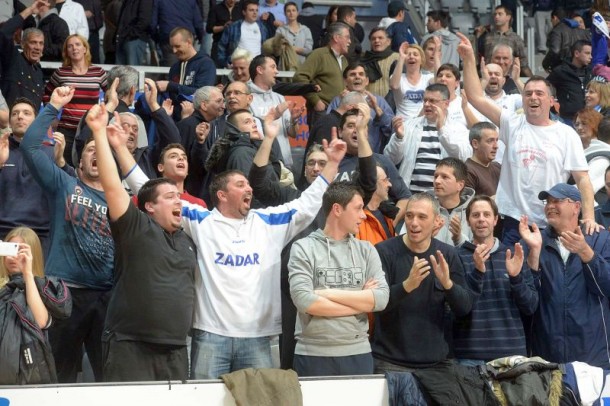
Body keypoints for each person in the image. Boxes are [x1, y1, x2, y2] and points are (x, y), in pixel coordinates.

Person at [119, 115, 347, 380]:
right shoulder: (201, 221)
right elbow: (148, 188)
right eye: (240, 185)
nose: (249, 188)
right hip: (210, 334)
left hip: (259, 337)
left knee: (260, 401)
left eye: (248, 184)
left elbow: (308, 204)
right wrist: (119, 147)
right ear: (222, 195)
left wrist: (332, 164)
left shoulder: (269, 222)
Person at [85, 104, 197, 382]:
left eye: (178, 196)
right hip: (130, 345)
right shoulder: (135, 226)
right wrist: (99, 133)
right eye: (170, 196)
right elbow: (112, 185)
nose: (178, 200)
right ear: (149, 206)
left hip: (176, 349)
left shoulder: (186, 238)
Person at [458, 31, 597, 244]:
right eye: (528, 93)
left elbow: (583, 180)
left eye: (539, 94)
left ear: (551, 101)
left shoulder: (566, 133)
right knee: (515, 275)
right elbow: (476, 97)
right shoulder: (511, 123)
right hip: (515, 222)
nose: (533, 97)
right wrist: (468, 58)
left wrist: (588, 217)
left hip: (552, 222)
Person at [20, 86, 114, 383]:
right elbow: (31, 148)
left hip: (107, 296)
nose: (96, 154)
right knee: (58, 378)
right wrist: (54, 106)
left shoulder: (120, 201)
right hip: (65, 294)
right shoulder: (65, 184)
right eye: (90, 150)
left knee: (109, 378)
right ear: (81, 161)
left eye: (102, 151)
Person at [288, 181, 389, 376]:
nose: (363, 215)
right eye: (358, 208)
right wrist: (363, 301)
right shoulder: (303, 248)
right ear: (337, 209)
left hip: (358, 351)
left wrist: (325, 293)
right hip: (312, 353)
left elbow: (382, 299)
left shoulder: (366, 250)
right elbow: (304, 301)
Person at [372, 192, 473, 371]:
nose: (414, 222)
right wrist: (407, 285)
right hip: (390, 361)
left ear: (436, 221)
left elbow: (464, 309)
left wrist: (448, 285)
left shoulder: (448, 254)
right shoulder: (383, 251)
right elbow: (377, 304)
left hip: (437, 363)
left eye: (422, 217)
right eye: (409, 216)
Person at [520, 183, 610, 369]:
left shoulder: (601, 239)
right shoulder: (533, 241)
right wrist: (534, 255)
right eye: (547, 202)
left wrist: (586, 252)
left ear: (577, 207)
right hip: (547, 355)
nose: (550, 206)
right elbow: (527, 301)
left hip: (592, 354)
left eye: (557, 201)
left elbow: (606, 287)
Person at [454, 196, 538, 364]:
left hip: (512, 355)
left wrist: (515, 278)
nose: (481, 220)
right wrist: (477, 272)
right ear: (468, 221)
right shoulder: (456, 256)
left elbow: (531, 306)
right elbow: (458, 308)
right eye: (476, 215)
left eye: (486, 214)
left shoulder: (513, 254)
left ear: (495, 220)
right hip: (470, 356)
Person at [0, 226, 72, 385]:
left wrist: (27, 274)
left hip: (30, 374)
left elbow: (40, 321)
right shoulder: (2, 289)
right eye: (10, 250)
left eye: (20, 252)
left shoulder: (46, 287)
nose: (13, 258)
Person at [0, 98, 67, 252]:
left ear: (37, 121)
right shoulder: (1, 149)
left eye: (26, 113)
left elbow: (67, 193)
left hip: (39, 235)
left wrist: (60, 161)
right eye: (15, 113)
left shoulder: (51, 152)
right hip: (4, 232)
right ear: (9, 121)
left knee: (35, 276)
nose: (20, 117)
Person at [43, 33, 107, 165]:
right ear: (66, 51)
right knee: (63, 167)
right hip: (66, 130)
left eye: (78, 44)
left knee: (87, 169)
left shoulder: (98, 72)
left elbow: (111, 94)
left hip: (89, 130)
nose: (74, 48)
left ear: (85, 49)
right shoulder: (61, 73)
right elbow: (46, 95)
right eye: (70, 46)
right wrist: (52, 118)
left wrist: (104, 112)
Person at [384, 83, 459, 194]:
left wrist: (442, 130)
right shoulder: (409, 125)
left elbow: (462, 156)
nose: (427, 104)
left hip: (442, 197)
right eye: (425, 100)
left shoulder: (457, 129)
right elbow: (390, 158)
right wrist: (398, 138)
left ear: (446, 104)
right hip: (411, 195)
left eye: (432, 101)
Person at [326, 63, 394, 154]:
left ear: (366, 81)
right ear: (345, 81)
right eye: (352, 74)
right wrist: (341, 108)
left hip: (373, 156)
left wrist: (377, 109)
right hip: (344, 157)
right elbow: (328, 127)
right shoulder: (338, 101)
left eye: (361, 74)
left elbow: (391, 131)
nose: (357, 77)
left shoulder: (379, 101)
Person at [248, 55, 302, 168]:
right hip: (262, 165)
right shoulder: (247, 98)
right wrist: (274, 115)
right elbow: (249, 131)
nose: (277, 72)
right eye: (273, 67)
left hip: (285, 164)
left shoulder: (280, 98)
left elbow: (293, 133)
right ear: (260, 70)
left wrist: (293, 120)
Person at [293, 22, 349, 128]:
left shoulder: (344, 60)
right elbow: (299, 77)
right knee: (319, 144)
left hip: (340, 112)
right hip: (322, 113)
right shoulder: (319, 54)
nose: (349, 41)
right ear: (336, 38)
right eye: (347, 37)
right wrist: (316, 101)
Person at [155, 27, 216, 121]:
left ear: (189, 42)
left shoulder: (206, 64)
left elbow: (203, 94)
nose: (174, 51)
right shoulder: (174, 68)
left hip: (197, 122)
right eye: (172, 47)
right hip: (176, 121)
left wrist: (170, 85)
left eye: (177, 46)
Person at [0, 1, 48, 110]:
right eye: (33, 42)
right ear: (22, 43)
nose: (37, 47)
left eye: (41, 43)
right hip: (9, 124)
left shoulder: (38, 71)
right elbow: (3, 33)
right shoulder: (12, 58)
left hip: (31, 126)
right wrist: (30, 10)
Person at [478, 5, 533, 77]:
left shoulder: (516, 39)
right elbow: (479, 58)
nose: (496, 17)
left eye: (500, 14)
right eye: (495, 14)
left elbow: (523, 63)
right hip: (489, 76)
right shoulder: (486, 37)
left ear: (508, 17)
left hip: (509, 78)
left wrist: (532, 79)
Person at [546, 40, 593, 124]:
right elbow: (545, 87)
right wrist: (552, 109)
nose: (590, 57)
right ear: (576, 54)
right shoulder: (560, 71)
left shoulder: (590, 72)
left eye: (590, 53)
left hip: (588, 118)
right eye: (587, 53)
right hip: (567, 119)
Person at [432, 157, 475, 247]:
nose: (437, 181)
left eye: (445, 177)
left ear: (460, 185)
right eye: (436, 176)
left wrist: (458, 238)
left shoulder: (475, 212)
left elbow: (479, 249)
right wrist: (426, 237)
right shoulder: (422, 208)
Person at [217, 0, 270, 68]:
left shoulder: (263, 28)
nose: (255, 13)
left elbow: (266, 49)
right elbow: (221, 47)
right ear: (244, 12)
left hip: (257, 66)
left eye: (256, 10)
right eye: (251, 10)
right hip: (239, 66)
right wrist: (225, 63)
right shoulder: (233, 27)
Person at [150, 0, 204, 67]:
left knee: (171, 69)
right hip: (187, 38)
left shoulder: (159, 1)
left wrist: (157, 38)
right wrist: (200, 37)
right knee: (189, 68)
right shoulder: (191, 1)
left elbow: (153, 24)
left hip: (168, 39)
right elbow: (198, 23)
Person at [390, 43, 435, 120]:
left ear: (421, 60)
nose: (411, 56)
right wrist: (401, 58)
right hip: (403, 123)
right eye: (408, 54)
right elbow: (394, 85)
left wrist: (436, 56)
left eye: (415, 54)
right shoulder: (398, 78)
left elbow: (440, 83)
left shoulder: (428, 78)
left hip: (423, 122)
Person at [542, 8, 591, 72]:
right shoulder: (582, 31)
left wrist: (545, 64)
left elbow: (555, 50)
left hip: (563, 68)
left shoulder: (557, 30)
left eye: (551, 21)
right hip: (582, 68)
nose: (552, 23)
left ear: (555, 18)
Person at [464, 122, 501, 197]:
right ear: (475, 144)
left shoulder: (497, 167)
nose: (496, 146)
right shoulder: (467, 171)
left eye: (496, 140)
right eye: (490, 141)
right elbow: (468, 206)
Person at [361, 27, 399, 99]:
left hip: (391, 103)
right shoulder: (363, 59)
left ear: (388, 41)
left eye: (380, 38)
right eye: (373, 39)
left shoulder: (397, 58)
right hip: (368, 102)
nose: (376, 40)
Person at [115, 0, 153, 66]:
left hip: (135, 39)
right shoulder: (126, 2)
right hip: (123, 38)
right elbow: (122, 20)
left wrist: (131, 34)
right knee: (120, 71)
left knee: (133, 70)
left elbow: (145, 21)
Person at [207, 0, 241, 68]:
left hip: (235, 46)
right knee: (217, 70)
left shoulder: (240, 9)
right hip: (218, 44)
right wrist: (223, 27)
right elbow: (209, 29)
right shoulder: (216, 9)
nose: (232, 1)